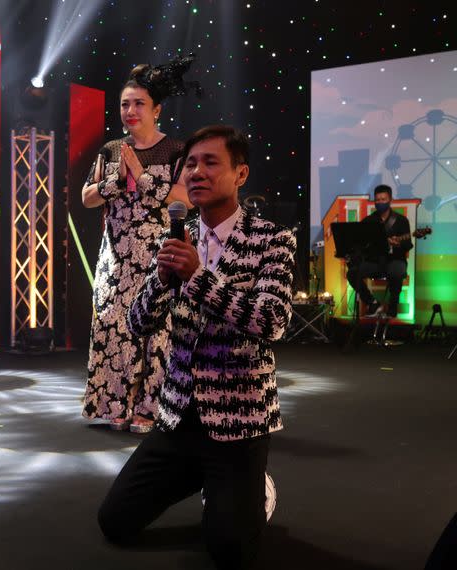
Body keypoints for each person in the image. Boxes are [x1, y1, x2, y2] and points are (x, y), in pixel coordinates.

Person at [98, 125, 296, 569]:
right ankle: (204, 478)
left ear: (240, 174)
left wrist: (198, 278)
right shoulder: (176, 236)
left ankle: (254, 488)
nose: (196, 172)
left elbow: (272, 321)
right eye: (190, 164)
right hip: (178, 417)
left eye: (210, 162)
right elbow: (138, 323)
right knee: (115, 522)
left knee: (229, 551)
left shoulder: (272, 241)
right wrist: (162, 282)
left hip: (239, 421)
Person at [81, 58, 193, 434]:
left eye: (138, 104)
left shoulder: (176, 149)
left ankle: (151, 407)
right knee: (113, 326)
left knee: (156, 331)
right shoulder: (112, 149)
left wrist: (142, 176)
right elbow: (87, 197)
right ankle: (116, 402)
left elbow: (188, 198)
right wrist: (116, 181)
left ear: (157, 109)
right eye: (125, 104)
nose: (130, 111)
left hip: (158, 255)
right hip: (115, 257)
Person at [345, 184, 412, 318]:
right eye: (378, 200)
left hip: (394, 260)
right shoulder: (368, 221)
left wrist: (397, 244)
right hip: (375, 262)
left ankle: (392, 309)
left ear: (390, 200)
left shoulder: (401, 221)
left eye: (383, 199)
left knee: (397, 270)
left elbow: (407, 245)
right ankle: (373, 303)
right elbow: (361, 244)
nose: (380, 202)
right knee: (352, 273)